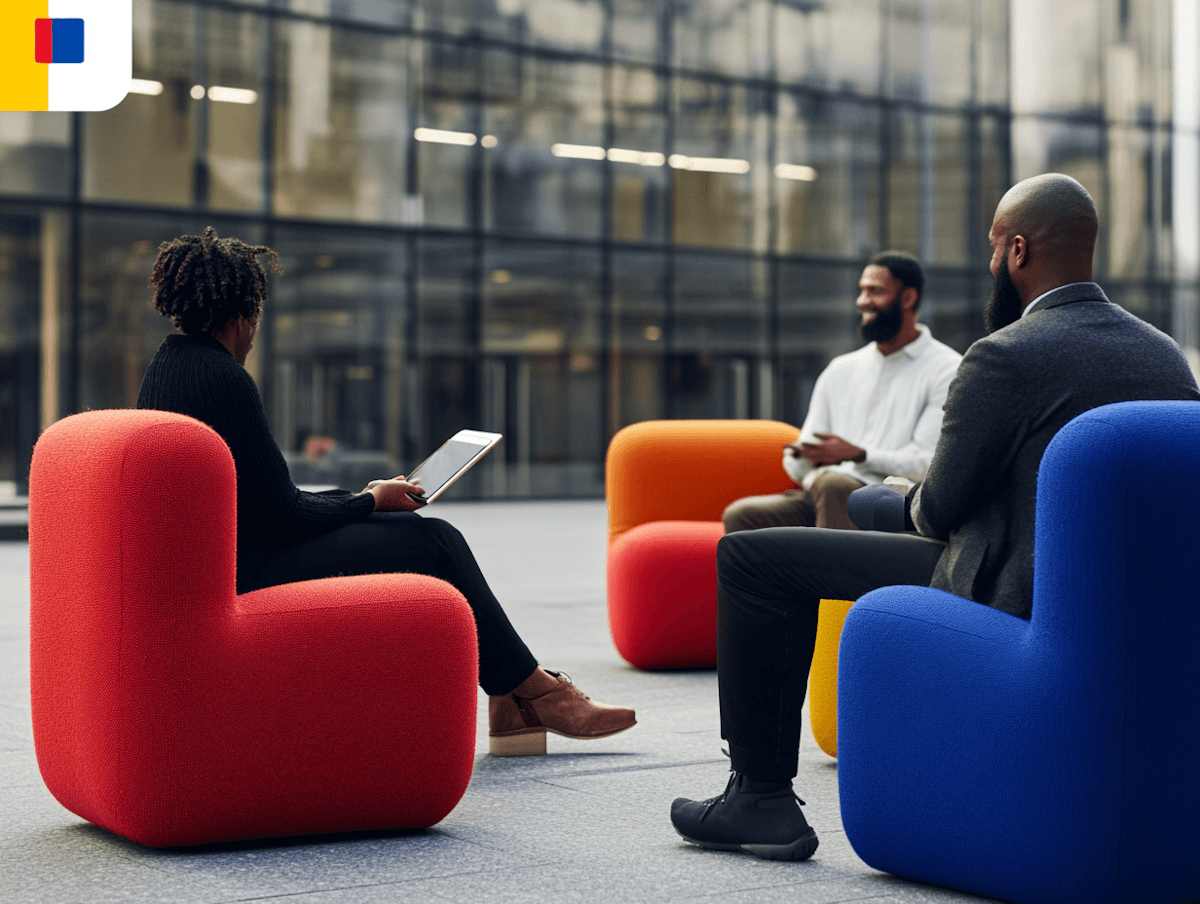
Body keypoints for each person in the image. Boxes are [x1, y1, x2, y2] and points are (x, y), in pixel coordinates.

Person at [670, 173, 1200, 860]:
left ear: (1016, 250)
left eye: (990, 249)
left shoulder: (1006, 355)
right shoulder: (1164, 356)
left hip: (1009, 584)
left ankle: (759, 797)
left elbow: (939, 509)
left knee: (751, 557)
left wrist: (890, 498)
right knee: (843, 508)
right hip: (1127, 601)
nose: (990, 265)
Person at [136, 226, 636, 757]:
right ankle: (531, 692)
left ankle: (517, 695)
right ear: (244, 314)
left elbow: (260, 499)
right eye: (257, 316)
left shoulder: (167, 366)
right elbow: (281, 515)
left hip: (224, 555)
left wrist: (366, 499)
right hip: (247, 567)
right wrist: (370, 502)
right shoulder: (223, 378)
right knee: (435, 541)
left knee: (392, 518)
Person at [722, 251, 961, 534]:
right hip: (822, 491)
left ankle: (833, 579)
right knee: (742, 516)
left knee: (834, 485)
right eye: (861, 291)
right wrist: (806, 457)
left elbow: (928, 465)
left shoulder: (947, 369)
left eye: (875, 292)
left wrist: (860, 454)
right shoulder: (841, 369)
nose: (862, 302)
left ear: (908, 298)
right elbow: (799, 463)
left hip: (888, 502)